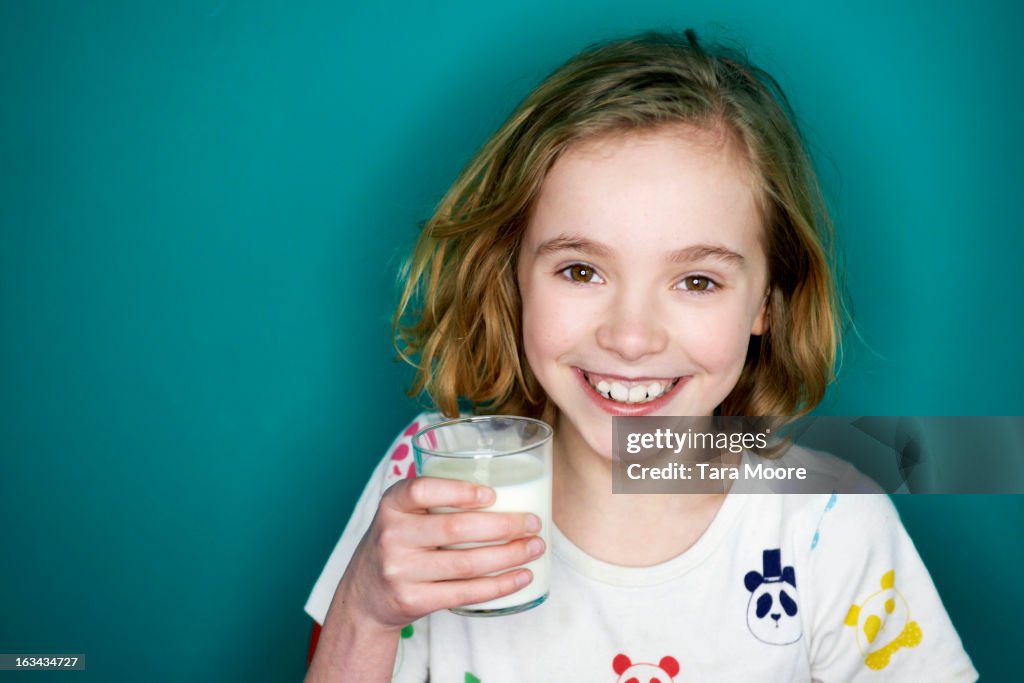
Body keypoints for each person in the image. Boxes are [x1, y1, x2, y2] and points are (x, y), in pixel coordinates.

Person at [303, 29, 978, 681]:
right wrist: (364, 607)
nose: (630, 338)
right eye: (580, 270)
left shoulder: (831, 521)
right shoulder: (429, 479)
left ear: (766, 303)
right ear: (512, 274)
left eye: (696, 281)